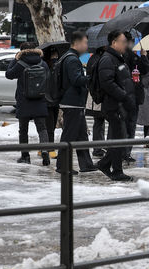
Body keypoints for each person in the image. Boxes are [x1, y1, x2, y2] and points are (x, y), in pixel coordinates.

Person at [56, 30, 99, 174]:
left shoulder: (68, 57)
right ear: (78, 43)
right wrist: (90, 77)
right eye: (85, 43)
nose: (87, 46)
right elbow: (76, 80)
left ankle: (86, 164)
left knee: (81, 135)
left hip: (73, 102)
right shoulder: (72, 59)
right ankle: (62, 166)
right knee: (69, 135)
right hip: (72, 102)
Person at [97, 30, 136, 182]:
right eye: (123, 41)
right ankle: (115, 169)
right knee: (118, 138)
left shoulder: (118, 58)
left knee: (119, 137)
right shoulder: (108, 59)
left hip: (120, 104)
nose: (126, 45)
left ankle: (106, 164)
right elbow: (107, 83)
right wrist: (124, 96)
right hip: (114, 105)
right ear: (114, 42)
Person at [6, 42, 51, 166]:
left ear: (21, 52)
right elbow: (48, 79)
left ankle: (25, 156)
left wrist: (15, 60)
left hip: (24, 101)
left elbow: (8, 74)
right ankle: (45, 151)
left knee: (23, 130)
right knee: (42, 129)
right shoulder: (43, 63)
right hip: (39, 100)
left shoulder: (20, 63)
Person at [123, 32, 149, 163]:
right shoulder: (131, 57)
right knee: (130, 125)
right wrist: (144, 56)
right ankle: (126, 152)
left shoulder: (120, 56)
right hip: (132, 95)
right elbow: (145, 69)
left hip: (125, 96)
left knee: (124, 125)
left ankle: (123, 151)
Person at [86, 47, 106, 159]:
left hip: (94, 95)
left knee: (98, 122)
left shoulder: (93, 59)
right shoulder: (102, 59)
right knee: (100, 122)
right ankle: (99, 148)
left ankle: (98, 147)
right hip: (99, 96)